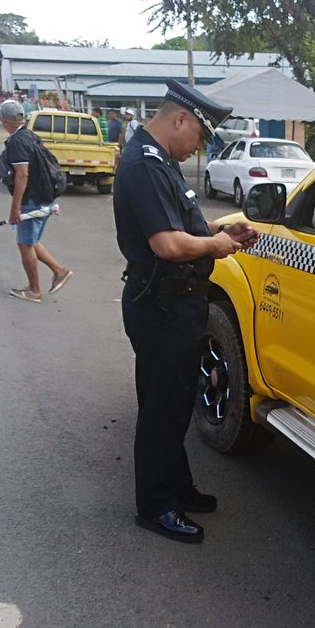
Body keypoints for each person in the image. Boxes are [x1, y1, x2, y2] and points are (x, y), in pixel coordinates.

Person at [113, 78, 259, 543]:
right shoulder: (145, 164)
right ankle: (156, 506)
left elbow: (182, 224)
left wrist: (218, 229)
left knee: (175, 404)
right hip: (163, 304)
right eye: (199, 137)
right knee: (163, 407)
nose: (198, 148)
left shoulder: (161, 161)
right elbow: (168, 244)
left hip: (177, 302)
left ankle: (176, 486)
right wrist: (215, 246)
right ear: (180, 119)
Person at [0, 99, 73, 303]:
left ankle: (34, 290)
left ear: (4, 119)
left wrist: (15, 208)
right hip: (43, 196)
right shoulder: (29, 135)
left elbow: (22, 175)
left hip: (32, 199)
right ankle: (59, 271)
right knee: (30, 241)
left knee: (25, 244)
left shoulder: (17, 141)